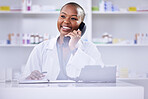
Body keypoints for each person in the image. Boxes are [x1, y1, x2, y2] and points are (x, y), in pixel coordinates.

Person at [21, 2, 104, 81]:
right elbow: (25, 82)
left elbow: (99, 76)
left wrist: (74, 49)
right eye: (63, 16)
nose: (66, 21)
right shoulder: (41, 49)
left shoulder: (89, 48)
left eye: (73, 18)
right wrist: (30, 78)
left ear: (81, 26)